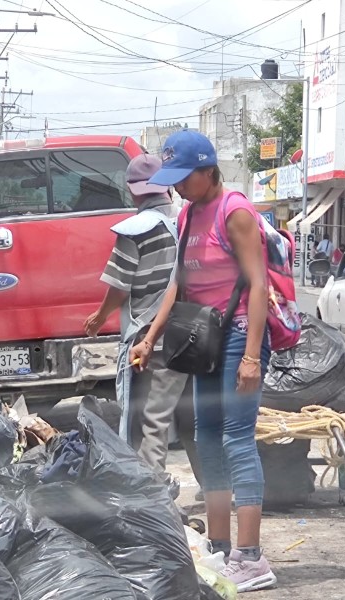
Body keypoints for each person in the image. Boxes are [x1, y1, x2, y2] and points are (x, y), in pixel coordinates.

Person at [130, 130, 276, 593]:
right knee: (205, 436)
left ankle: (251, 558)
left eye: (182, 178)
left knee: (236, 439)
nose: (175, 188)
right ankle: (218, 545)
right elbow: (177, 284)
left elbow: (258, 285)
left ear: (207, 170)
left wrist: (252, 356)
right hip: (204, 341)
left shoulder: (235, 212)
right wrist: (149, 338)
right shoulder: (189, 212)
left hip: (237, 338)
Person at [83, 154, 203, 487]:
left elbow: (120, 288)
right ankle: (213, 490)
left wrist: (99, 316)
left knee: (151, 420)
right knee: (193, 419)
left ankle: (152, 491)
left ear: (134, 192)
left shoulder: (136, 231)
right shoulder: (187, 221)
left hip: (149, 339)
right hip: (194, 336)